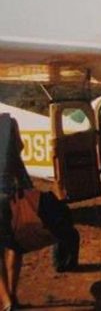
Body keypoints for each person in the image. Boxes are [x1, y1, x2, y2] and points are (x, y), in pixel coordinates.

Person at [0, 114, 32, 311]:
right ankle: (13, 294)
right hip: (9, 194)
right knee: (15, 245)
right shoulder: (9, 123)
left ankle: (6, 301)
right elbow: (18, 154)